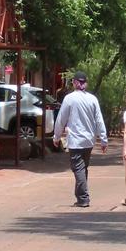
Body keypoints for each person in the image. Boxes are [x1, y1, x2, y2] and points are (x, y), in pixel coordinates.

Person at [51, 70, 108, 207]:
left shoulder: (69, 98)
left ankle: (83, 198)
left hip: (76, 141)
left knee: (78, 169)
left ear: (74, 83)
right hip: (89, 140)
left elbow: (61, 119)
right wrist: (103, 139)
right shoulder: (92, 99)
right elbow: (99, 120)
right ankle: (80, 196)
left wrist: (56, 136)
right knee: (83, 168)